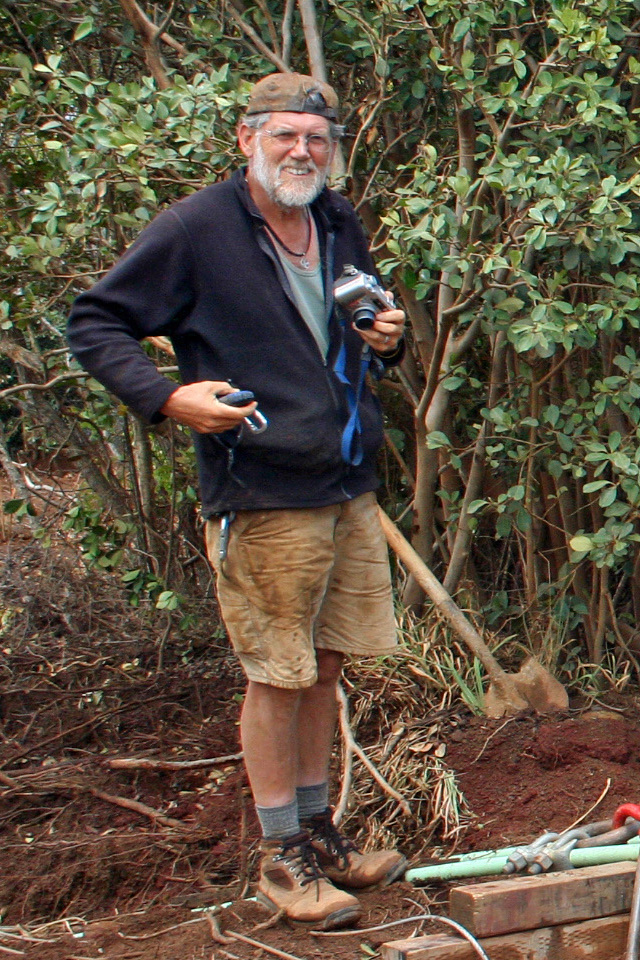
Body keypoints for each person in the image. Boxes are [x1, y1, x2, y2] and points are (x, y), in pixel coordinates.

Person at [67, 72, 407, 930]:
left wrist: (387, 337)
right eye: (285, 135)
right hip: (260, 490)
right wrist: (165, 397)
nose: (302, 151)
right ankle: (281, 859)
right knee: (276, 676)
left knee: (325, 667)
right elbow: (95, 322)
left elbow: (359, 321)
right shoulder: (196, 228)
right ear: (247, 138)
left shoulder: (333, 220)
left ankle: (320, 835)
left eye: (316, 139)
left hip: (344, 480)